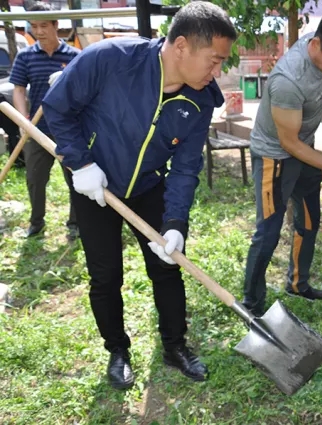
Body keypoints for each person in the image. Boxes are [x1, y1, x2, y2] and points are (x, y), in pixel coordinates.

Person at [41, 2, 236, 389]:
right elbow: (57, 108)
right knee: (105, 274)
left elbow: (185, 168)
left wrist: (175, 222)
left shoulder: (200, 101)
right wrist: (82, 164)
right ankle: (117, 350)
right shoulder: (110, 59)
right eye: (214, 61)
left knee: (168, 265)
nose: (217, 72)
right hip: (95, 186)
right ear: (181, 46)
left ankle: (174, 345)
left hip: (148, 185)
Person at [241, 10, 322, 317]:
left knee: (309, 220)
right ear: (316, 45)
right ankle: (252, 305)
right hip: (275, 155)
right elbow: (288, 142)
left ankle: (298, 284)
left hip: (305, 147)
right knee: (268, 233)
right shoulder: (288, 80)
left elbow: (320, 91)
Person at [9, 2, 80, 239]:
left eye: (43, 26)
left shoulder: (74, 56)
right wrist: (23, 121)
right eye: (34, 26)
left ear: (55, 25)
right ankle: (36, 222)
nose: (38, 31)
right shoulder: (26, 56)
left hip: (68, 130)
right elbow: (19, 89)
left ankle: (76, 223)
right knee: (35, 179)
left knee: (75, 178)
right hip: (37, 130)